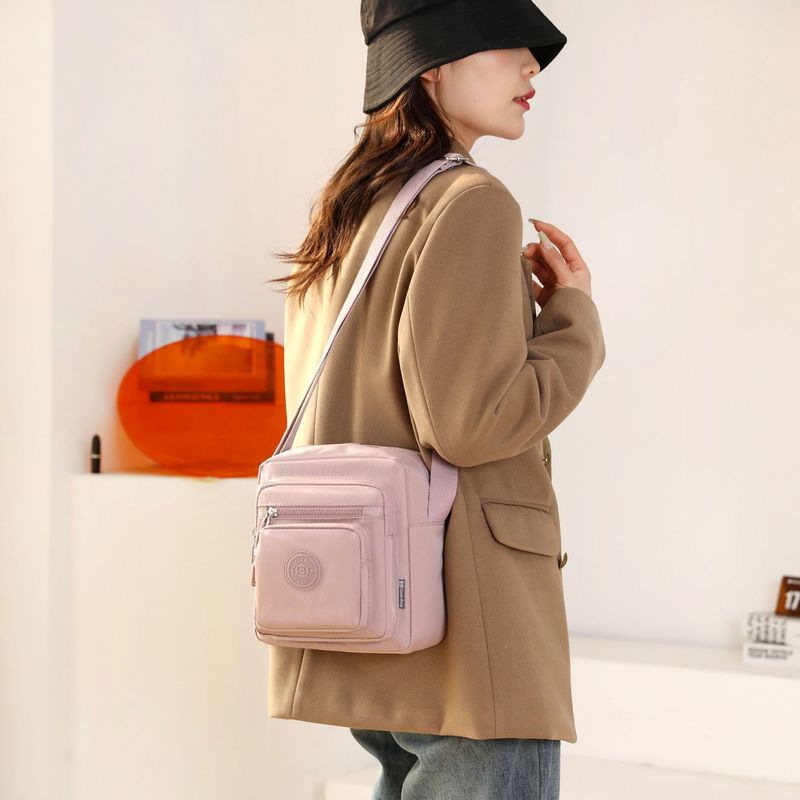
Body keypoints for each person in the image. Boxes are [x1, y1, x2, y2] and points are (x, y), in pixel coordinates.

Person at [266, 1, 606, 797]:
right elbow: (472, 425)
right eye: (503, 41)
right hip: (467, 624)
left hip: (373, 602)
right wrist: (574, 322)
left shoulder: (349, 208)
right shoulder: (470, 200)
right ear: (431, 66)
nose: (531, 64)